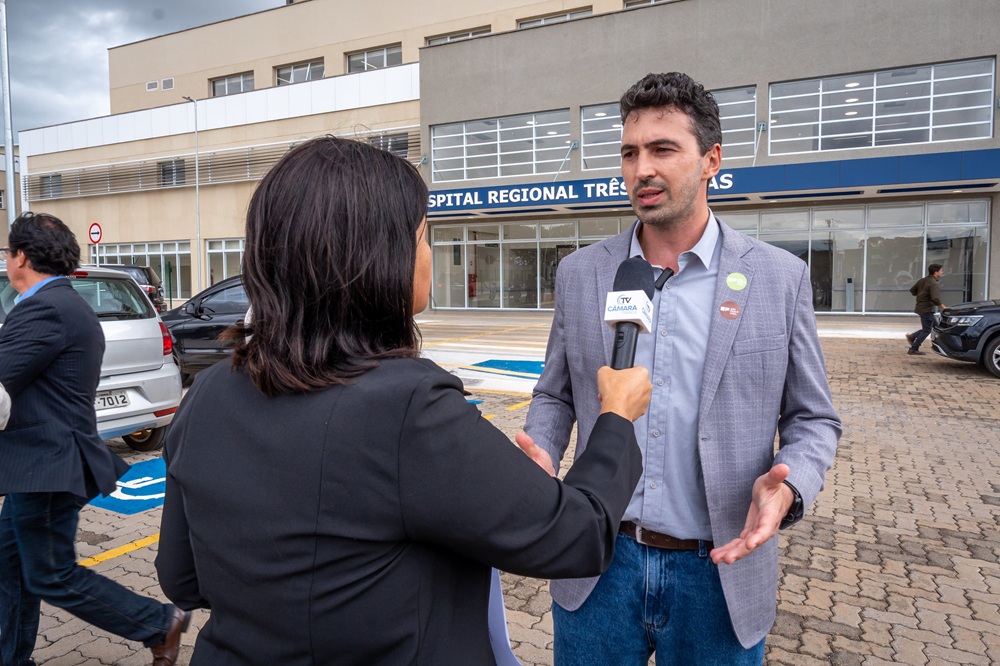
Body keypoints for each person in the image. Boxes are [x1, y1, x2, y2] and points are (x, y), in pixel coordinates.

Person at [154, 135, 652, 665]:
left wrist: (495, 490)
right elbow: (579, 535)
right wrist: (616, 417)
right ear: (379, 256)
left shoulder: (207, 393)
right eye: (423, 237)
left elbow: (182, 577)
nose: (429, 256)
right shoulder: (407, 406)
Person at [519, 72, 843, 665]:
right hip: (598, 564)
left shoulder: (778, 278)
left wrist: (791, 484)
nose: (642, 168)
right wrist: (541, 447)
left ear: (711, 159)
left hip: (719, 572)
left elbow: (814, 418)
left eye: (663, 149)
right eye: (630, 152)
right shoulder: (581, 273)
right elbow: (556, 394)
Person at [0, 213, 189, 666]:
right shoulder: (71, 304)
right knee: (11, 567)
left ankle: (157, 623)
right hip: (52, 460)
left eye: (9, 252)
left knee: (50, 574)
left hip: (44, 465)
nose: (8, 260)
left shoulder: (43, 307)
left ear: (21, 257)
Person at [906, 263, 946, 355]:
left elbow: (913, 290)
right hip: (926, 309)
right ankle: (914, 348)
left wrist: (921, 295)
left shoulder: (923, 280)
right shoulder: (934, 283)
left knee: (935, 326)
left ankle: (912, 336)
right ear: (936, 272)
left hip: (921, 308)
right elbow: (935, 298)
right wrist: (944, 307)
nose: (942, 272)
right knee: (927, 330)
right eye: (941, 270)